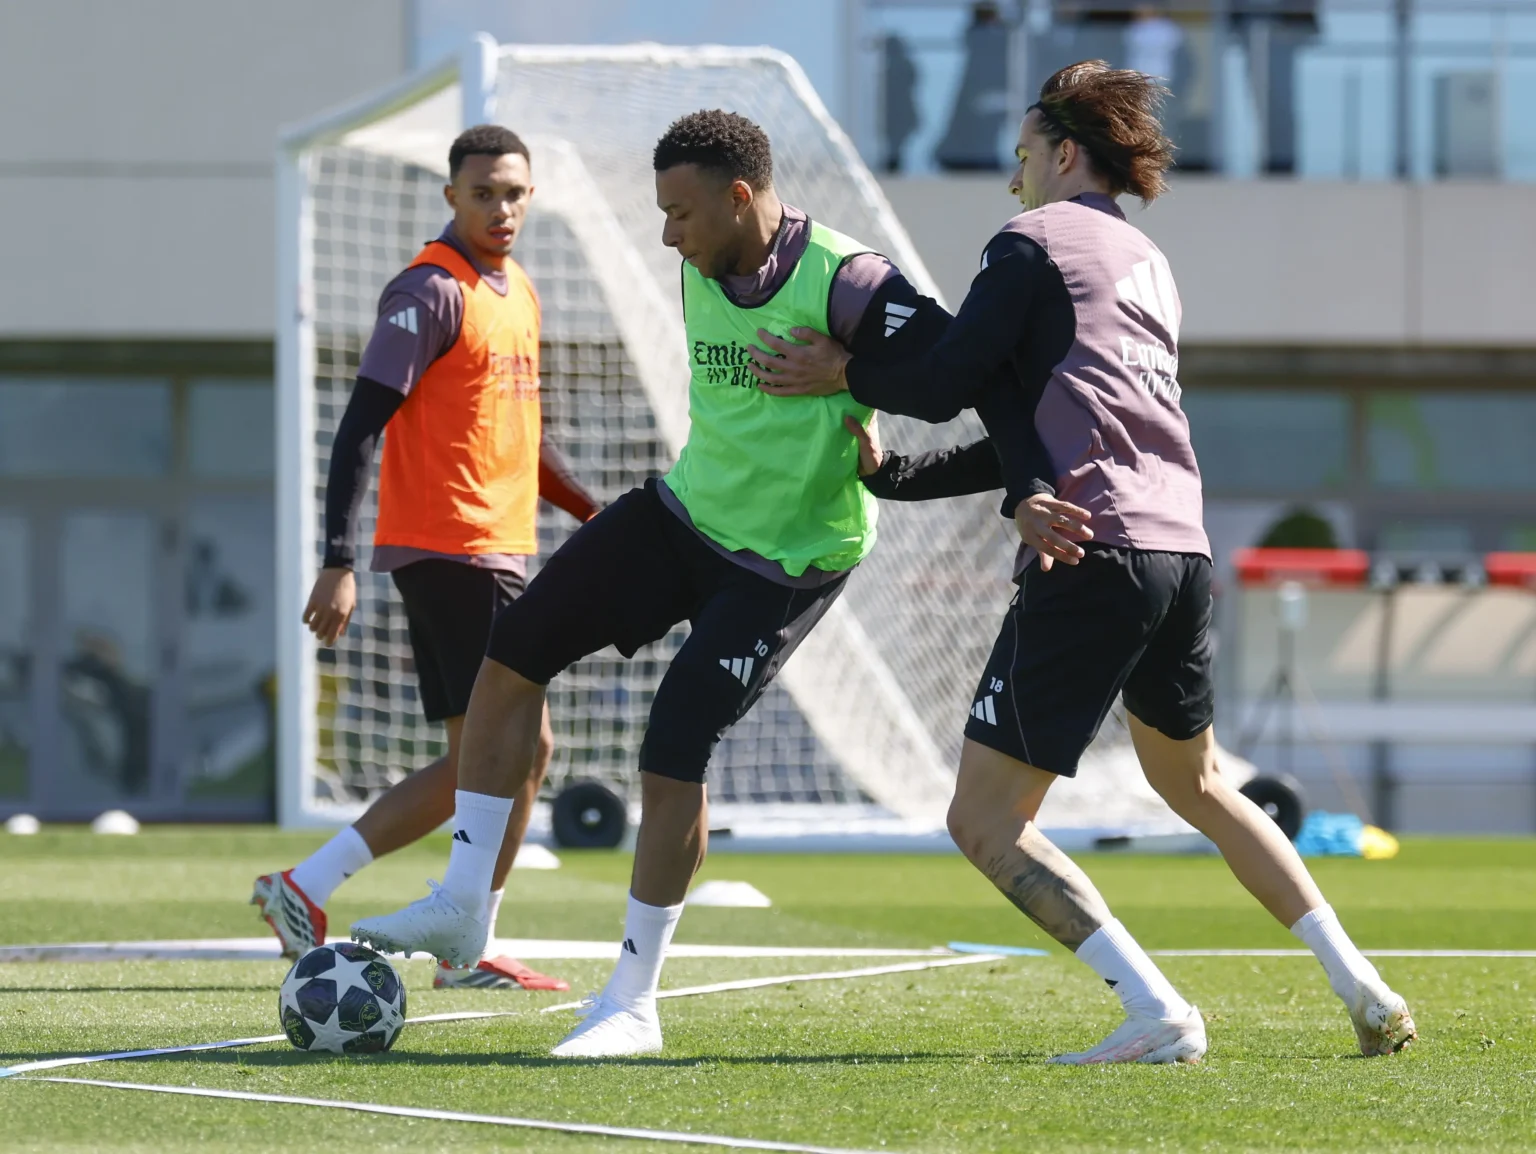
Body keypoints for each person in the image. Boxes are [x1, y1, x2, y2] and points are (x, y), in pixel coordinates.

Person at [751, 62, 1416, 1064]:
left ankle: (1155, 1010)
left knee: (981, 818)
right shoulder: (1145, 260)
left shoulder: (1030, 242)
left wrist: (844, 368)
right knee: (1197, 782)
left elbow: (943, 380)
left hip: (1090, 550)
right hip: (1178, 551)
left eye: (1022, 156)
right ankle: (1361, 982)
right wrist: (898, 479)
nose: (1011, 178)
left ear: (1064, 154)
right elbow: (1033, 424)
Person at [351, 110, 952, 1058]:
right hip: (688, 513)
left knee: (672, 745)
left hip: (789, 560)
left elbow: (953, 373)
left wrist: (849, 367)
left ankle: (632, 1003)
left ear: (739, 197)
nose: (667, 234)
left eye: (680, 213)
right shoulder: (701, 261)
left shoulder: (850, 279)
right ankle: (465, 904)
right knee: (513, 653)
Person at [252, 125, 600, 993]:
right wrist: (337, 559)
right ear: (452, 197)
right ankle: (465, 938)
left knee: (483, 757)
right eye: (483, 192)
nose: (501, 207)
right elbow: (358, 427)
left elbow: (524, 437)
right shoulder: (429, 291)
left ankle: (309, 887)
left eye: (515, 192)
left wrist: (599, 512)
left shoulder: (516, 289)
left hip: (498, 546)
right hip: (451, 547)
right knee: (519, 747)